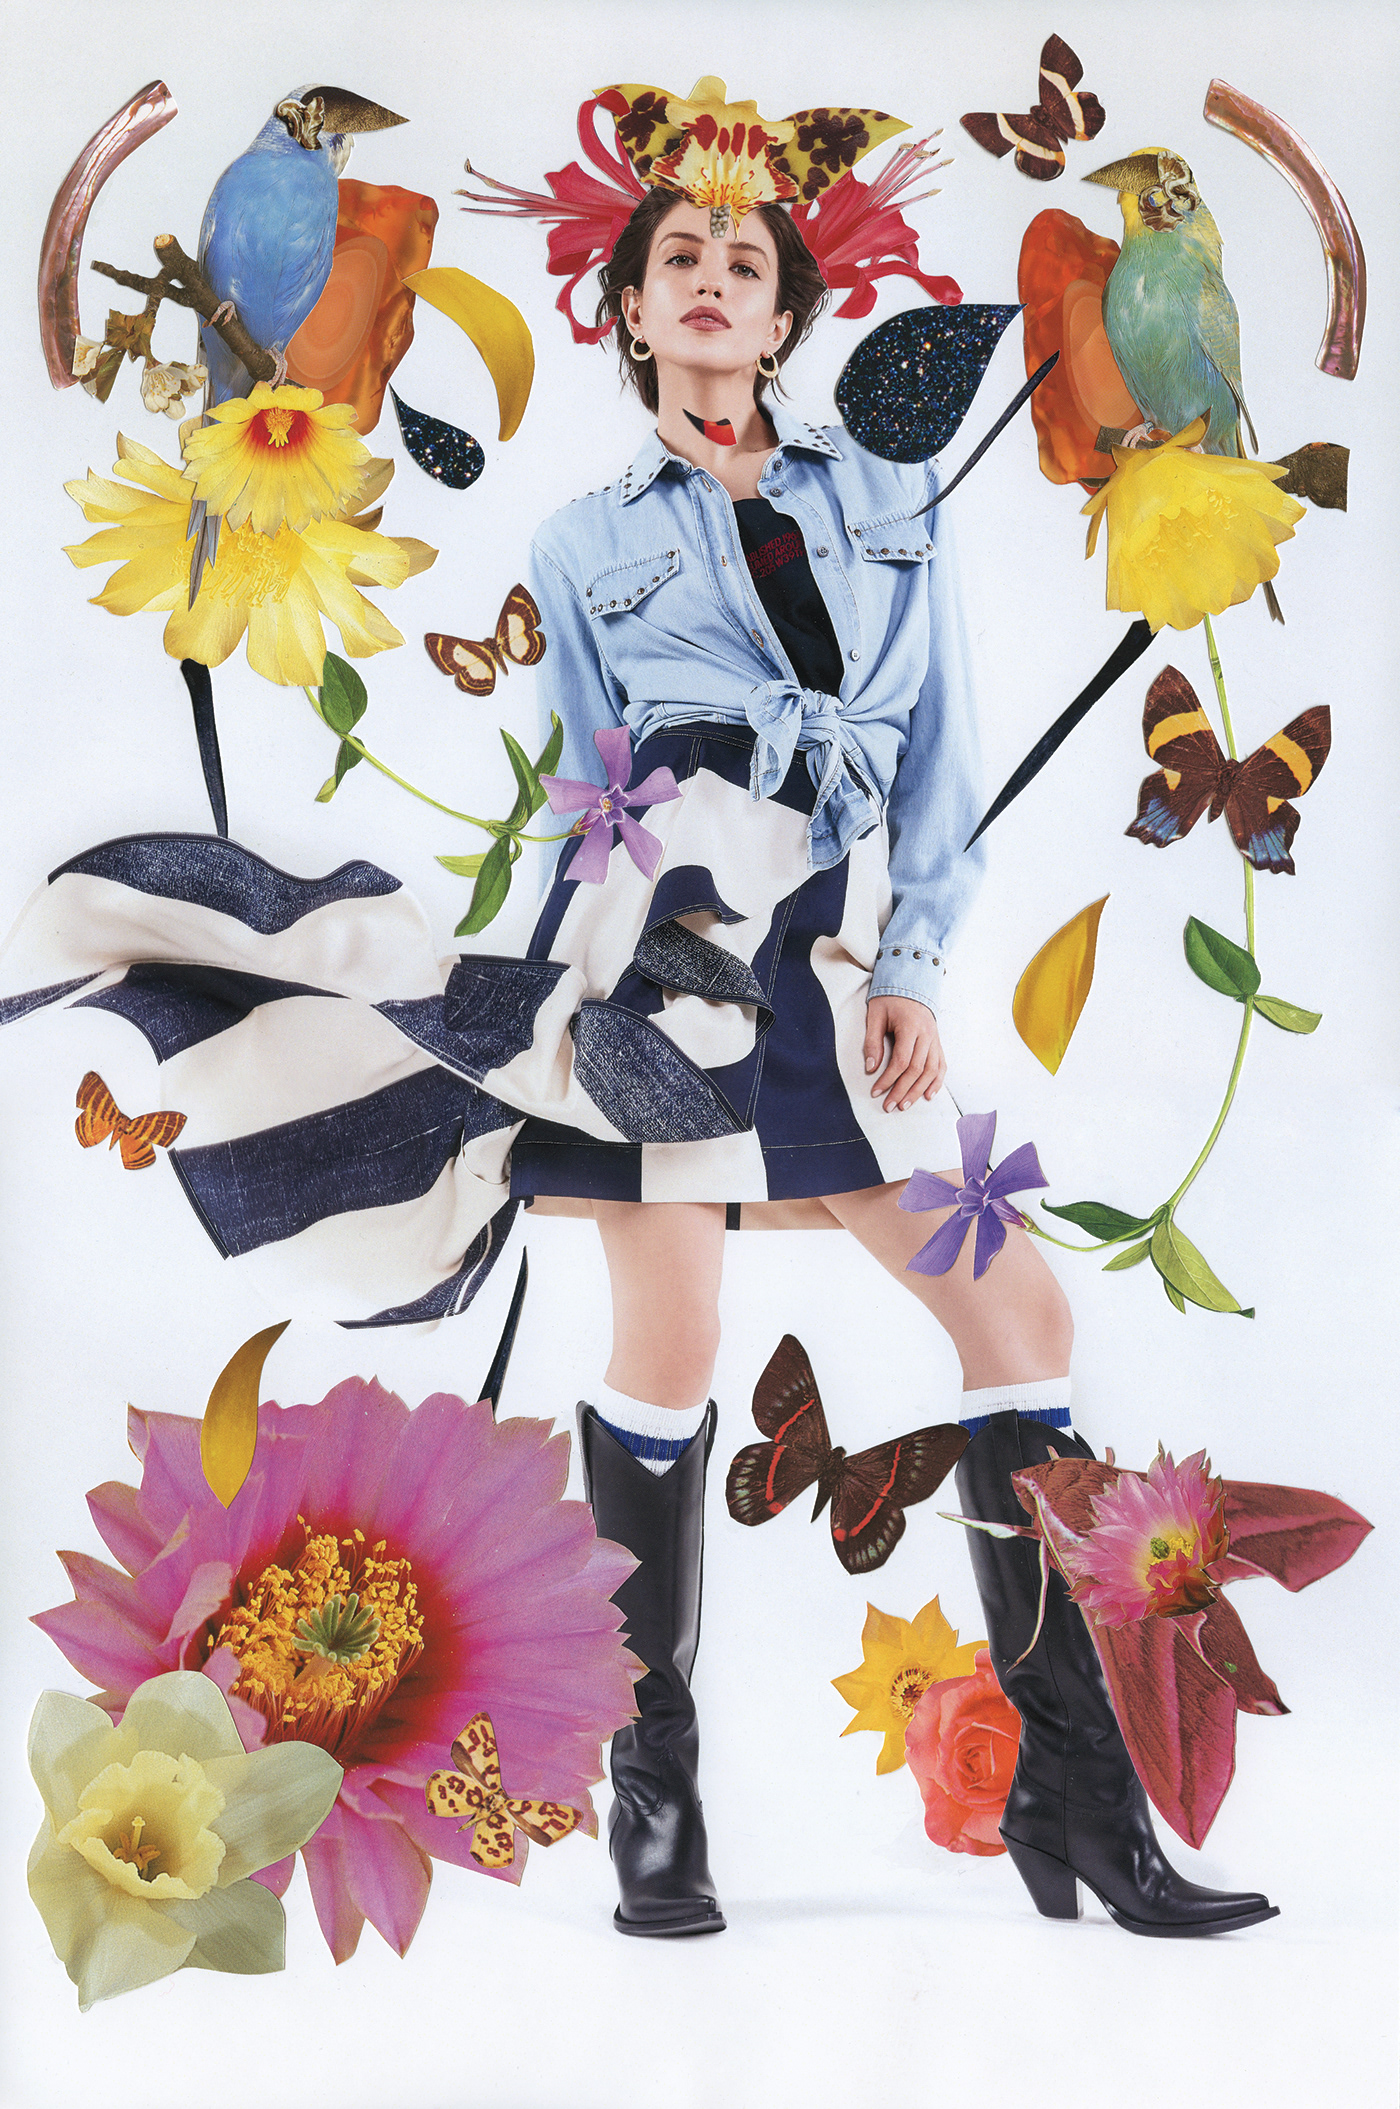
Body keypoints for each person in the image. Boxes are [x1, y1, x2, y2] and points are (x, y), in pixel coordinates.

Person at [515, 180, 1278, 1941]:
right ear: (631, 310)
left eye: (747, 265)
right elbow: (585, 787)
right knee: (670, 1341)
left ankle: (1076, 1794)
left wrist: (915, 964)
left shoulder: (888, 497)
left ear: (787, 318)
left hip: (837, 954)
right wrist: (557, 1004)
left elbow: (941, 751)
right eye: (678, 262)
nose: (713, 284)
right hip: (663, 959)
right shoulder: (575, 541)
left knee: (1020, 1314)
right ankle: (656, 1801)